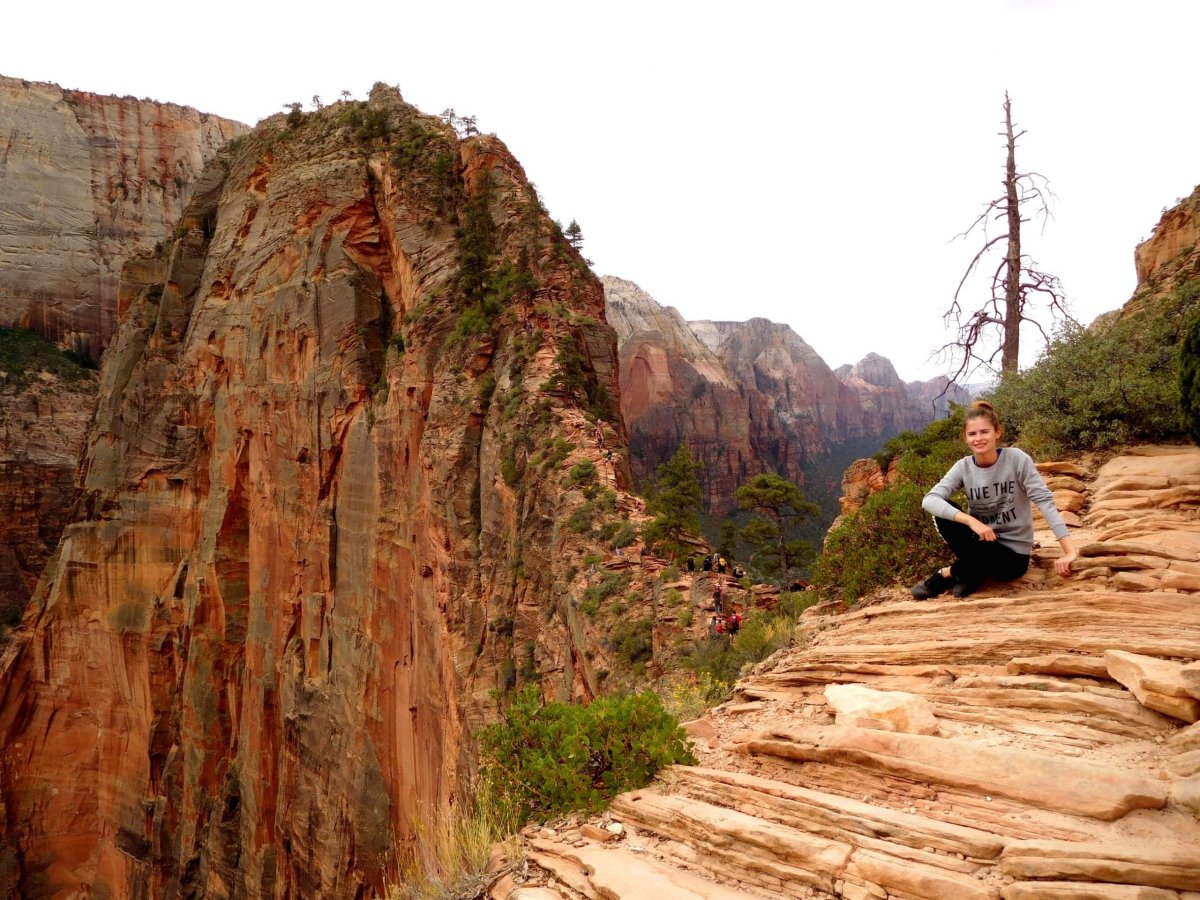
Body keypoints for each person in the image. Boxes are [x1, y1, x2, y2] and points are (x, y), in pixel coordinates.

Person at [912, 401, 1077, 600]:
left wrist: (1069, 552)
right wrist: (971, 521)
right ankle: (972, 573)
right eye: (972, 434)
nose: (978, 438)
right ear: (965, 438)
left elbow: (1044, 502)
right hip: (980, 542)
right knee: (945, 511)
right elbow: (929, 500)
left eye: (985, 432)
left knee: (1005, 565)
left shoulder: (1017, 459)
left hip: (1012, 554)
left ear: (997, 432)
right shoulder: (963, 466)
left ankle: (947, 573)